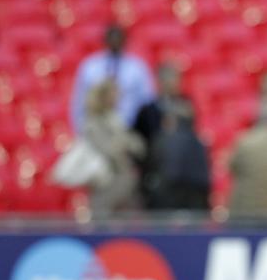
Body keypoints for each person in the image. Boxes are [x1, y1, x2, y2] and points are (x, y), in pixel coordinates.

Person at [70, 24, 155, 135]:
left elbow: (147, 100)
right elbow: (79, 101)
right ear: (105, 40)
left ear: (125, 41)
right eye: (112, 38)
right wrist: (79, 130)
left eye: (118, 38)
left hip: (129, 130)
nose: (115, 42)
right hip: (96, 130)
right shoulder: (90, 66)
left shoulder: (137, 67)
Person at [133, 63, 196, 207]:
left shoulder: (187, 107)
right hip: (156, 172)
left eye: (175, 79)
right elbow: (140, 140)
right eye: (168, 79)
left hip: (183, 172)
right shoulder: (147, 111)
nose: (173, 83)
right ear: (160, 82)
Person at [80, 80, 145, 216]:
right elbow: (107, 149)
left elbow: (138, 145)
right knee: (101, 220)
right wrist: (123, 144)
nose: (118, 98)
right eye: (114, 94)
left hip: (125, 179)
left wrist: (126, 143)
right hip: (105, 181)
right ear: (104, 96)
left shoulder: (116, 118)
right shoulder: (93, 122)